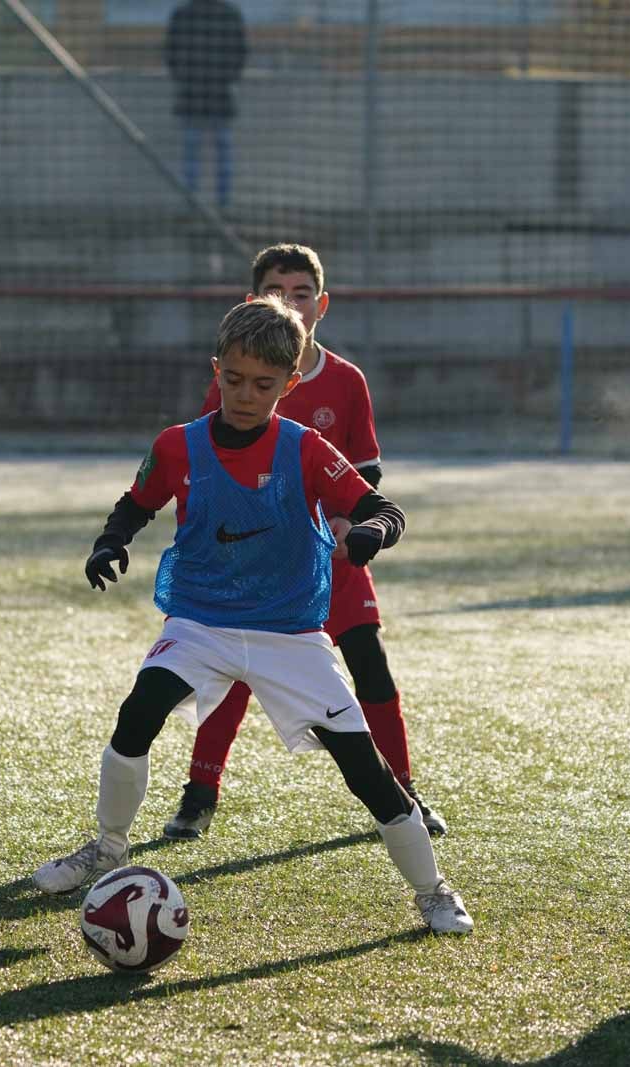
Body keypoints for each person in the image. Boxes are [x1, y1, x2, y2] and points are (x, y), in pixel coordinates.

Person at [30, 296, 472, 936]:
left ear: (290, 385)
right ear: (217, 371)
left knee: (364, 770)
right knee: (138, 714)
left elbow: (382, 506)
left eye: (263, 384)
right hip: (198, 624)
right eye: (233, 380)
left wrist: (373, 531)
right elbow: (136, 502)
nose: (244, 394)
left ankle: (432, 891)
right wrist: (111, 542)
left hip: (288, 636)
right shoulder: (177, 445)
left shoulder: (308, 449)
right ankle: (107, 849)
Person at [161, 244, 447, 841]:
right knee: (232, 673)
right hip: (260, 566)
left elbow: (365, 473)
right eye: (275, 292)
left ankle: (403, 789)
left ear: (322, 304)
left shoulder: (346, 381)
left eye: (300, 293)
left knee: (370, 668)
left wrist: (350, 524)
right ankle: (199, 793)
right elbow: (209, 462)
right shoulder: (235, 383)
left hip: (333, 562)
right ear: (252, 302)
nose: (288, 303)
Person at [164, 0, 246, 210]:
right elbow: (240, 53)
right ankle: (220, 206)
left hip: (196, 94)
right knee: (218, 154)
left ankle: (197, 206)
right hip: (215, 93)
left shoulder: (183, 15)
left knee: (197, 155)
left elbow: (171, 54)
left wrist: (186, 78)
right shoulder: (228, 15)